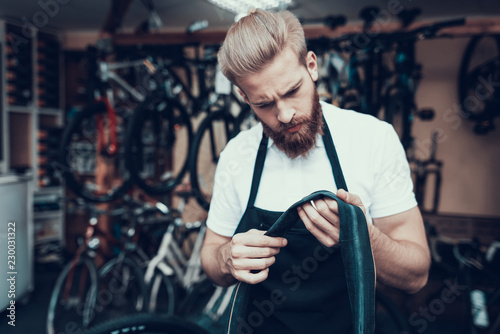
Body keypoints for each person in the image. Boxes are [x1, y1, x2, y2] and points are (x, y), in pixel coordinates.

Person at [200, 9, 431, 334]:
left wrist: (363, 239)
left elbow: (417, 275)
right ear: (243, 97)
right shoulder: (237, 155)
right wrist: (226, 259)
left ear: (311, 66)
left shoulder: (372, 139)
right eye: (264, 104)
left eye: (292, 91)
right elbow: (210, 257)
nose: (284, 114)